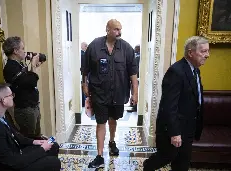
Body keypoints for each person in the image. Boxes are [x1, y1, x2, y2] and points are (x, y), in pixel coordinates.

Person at [143, 36, 209, 171]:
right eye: (203, 51)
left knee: (182, 163)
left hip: (188, 127)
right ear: (191, 53)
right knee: (166, 156)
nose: (207, 55)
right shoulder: (176, 71)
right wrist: (175, 133)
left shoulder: (195, 70)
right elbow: (169, 106)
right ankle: (147, 166)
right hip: (175, 129)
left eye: (207, 51)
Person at [81, 19, 138, 168]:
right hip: (99, 92)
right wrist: (84, 83)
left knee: (113, 119)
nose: (119, 32)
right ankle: (99, 156)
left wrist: (135, 94)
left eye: (120, 29)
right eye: (116, 29)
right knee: (101, 122)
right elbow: (85, 68)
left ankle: (112, 142)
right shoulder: (95, 46)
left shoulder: (126, 48)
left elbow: (133, 74)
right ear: (107, 29)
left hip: (119, 93)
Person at [0, 82, 61, 171]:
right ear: (3, 101)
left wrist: (34, 141)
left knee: (53, 146)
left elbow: (16, 135)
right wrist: (42, 149)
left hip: (15, 153)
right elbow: (13, 162)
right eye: (11, 95)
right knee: (53, 162)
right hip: (8, 166)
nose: (13, 97)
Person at [3, 36, 43, 139]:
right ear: (15, 51)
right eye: (23, 48)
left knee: (37, 136)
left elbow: (26, 81)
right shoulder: (10, 67)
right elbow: (32, 82)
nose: (25, 51)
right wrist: (33, 67)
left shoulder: (19, 65)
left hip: (32, 107)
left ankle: (39, 154)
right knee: (30, 138)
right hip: (25, 110)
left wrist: (35, 67)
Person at [81, 42, 88, 107]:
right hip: (82, 73)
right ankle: (83, 102)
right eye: (86, 46)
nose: (86, 48)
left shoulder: (82, 54)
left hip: (82, 73)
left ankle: (83, 102)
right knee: (83, 87)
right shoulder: (83, 54)